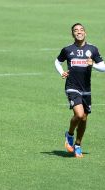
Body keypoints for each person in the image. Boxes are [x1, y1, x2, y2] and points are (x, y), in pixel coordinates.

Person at [55, 23, 105, 158]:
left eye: (81, 30)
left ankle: (78, 144)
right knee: (79, 114)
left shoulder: (92, 49)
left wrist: (93, 64)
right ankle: (70, 134)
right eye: (76, 30)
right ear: (73, 34)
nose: (79, 32)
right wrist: (61, 72)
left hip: (86, 89)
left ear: (85, 33)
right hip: (72, 86)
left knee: (83, 119)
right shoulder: (67, 49)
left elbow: (103, 67)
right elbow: (57, 61)